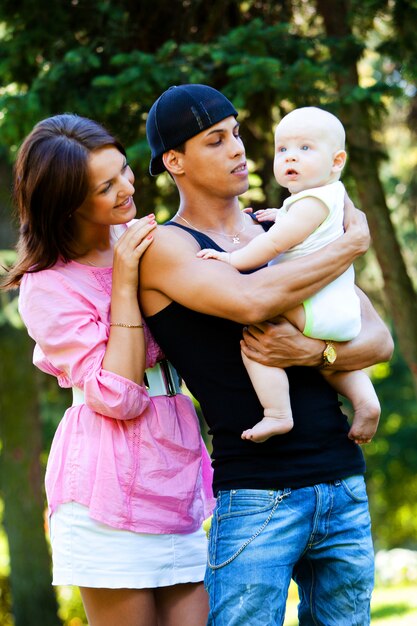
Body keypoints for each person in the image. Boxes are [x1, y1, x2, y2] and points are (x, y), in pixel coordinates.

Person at [140, 84, 394, 625]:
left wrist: (314, 352)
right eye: (216, 140)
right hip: (257, 496)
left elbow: (378, 340)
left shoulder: (277, 228)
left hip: (342, 483)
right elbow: (253, 301)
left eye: (236, 133)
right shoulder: (169, 247)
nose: (238, 149)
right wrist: (347, 246)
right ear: (174, 160)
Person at [1, 113, 215, 626]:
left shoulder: (144, 237)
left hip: (174, 471)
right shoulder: (47, 286)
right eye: (106, 186)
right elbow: (119, 396)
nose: (127, 187)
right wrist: (122, 282)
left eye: (123, 170)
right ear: (69, 204)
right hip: (107, 490)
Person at [196, 106, 380, 443]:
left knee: (257, 333)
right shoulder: (330, 197)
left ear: (336, 161)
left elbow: (276, 242)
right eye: (283, 150)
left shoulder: (309, 204)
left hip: (312, 307)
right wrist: (281, 212)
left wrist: (233, 259)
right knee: (333, 364)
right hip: (337, 312)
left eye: (305, 149)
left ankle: (277, 413)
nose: (290, 158)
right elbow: (305, 224)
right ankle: (366, 400)